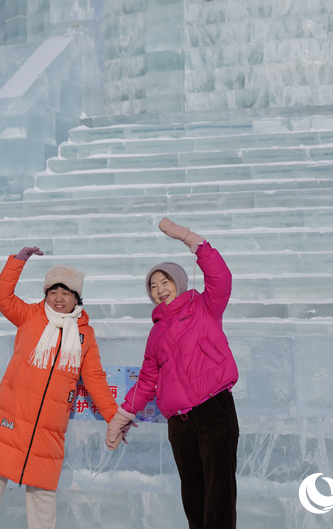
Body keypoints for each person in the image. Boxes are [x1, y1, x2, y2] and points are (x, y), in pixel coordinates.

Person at [0, 246, 119, 529]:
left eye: (66, 292)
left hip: (49, 429)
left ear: (76, 297)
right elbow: (2, 297)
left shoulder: (85, 335)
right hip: (10, 418)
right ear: (45, 294)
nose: (59, 299)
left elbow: (94, 378)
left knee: (43, 498)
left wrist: (114, 418)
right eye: (53, 292)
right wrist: (18, 262)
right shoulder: (30, 316)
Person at [106, 218, 239, 529]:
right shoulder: (156, 335)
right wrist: (121, 417)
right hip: (179, 423)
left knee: (218, 496)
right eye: (153, 286)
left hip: (213, 410)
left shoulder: (205, 307)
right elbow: (147, 382)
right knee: (193, 497)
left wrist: (192, 240)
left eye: (164, 282)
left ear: (178, 282)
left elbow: (221, 277)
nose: (159, 290)